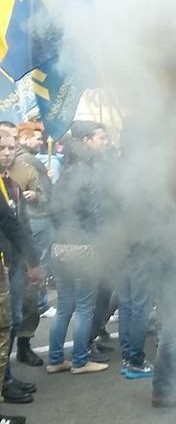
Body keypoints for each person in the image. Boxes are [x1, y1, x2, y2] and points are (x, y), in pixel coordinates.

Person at [46, 121, 110, 375]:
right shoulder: (87, 174)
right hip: (83, 246)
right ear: (86, 142)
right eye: (101, 138)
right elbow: (95, 213)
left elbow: (52, 212)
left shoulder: (64, 172)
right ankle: (81, 361)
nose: (105, 143)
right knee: (84, 307)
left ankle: (55, 359)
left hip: (60, 245)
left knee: (64, 308)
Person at [0, 133, 43, 413]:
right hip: (3, 263)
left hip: (14, 263)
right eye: (1, 147)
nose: (6, 152)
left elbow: (18, 224)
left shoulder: (11, 184)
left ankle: (5, 378)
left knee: (13, 321)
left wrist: (32, 260)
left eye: (10, 148)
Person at [9, 121, 52, 366]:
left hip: (22, 245)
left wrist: (36, 195)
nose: (7, 150)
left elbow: (44, 195)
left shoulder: (23, 169)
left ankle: (24, 346)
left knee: (27, 302)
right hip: (5, 251)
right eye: (3, 144)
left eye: (11, 143)